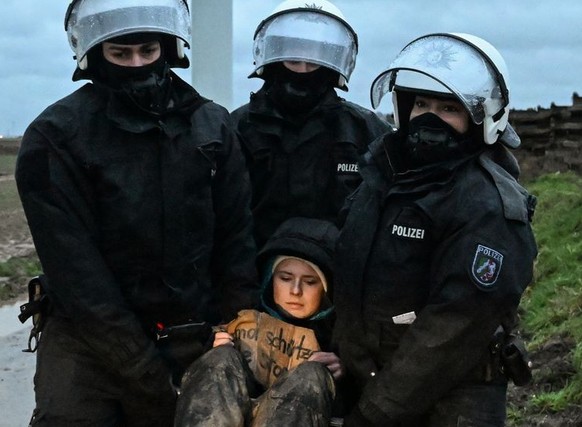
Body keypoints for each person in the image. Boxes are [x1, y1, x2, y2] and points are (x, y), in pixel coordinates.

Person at [15, 1, 258, 425]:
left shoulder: (212, 126)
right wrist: (145, 371)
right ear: (94, 54)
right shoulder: (54, 137)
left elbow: (236, 238)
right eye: (121, 54)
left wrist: (239, 325)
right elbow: (78, 276)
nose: (138, 63)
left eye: (148, 51)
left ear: (168, 47)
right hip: (87, 340)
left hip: (192, 329)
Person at [332, 33, 538, 426]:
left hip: (453, 403)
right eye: (421, 103)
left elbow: (454, 326)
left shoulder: (488, 206)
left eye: (447, 108)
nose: (429, 118)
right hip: (374, 387)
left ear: (481, 117)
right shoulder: (381, 179)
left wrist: (374, 412)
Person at [231, 0, 391, 250]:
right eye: (293, 61)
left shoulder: (364, 129)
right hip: (252, 272)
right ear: (273, 59)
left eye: (313, 63)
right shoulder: (237, 128)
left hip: (336, 275)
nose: (303, 71)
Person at [174, 217, 343, 427]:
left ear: (327, 289)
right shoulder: (244, 316)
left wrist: (338, 378)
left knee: (312, 375)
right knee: (219, 359)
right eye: (285, 278)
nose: (296, 290)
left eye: (310, 282)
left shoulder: (342, 335)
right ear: (269, 279)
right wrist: (214, 348)